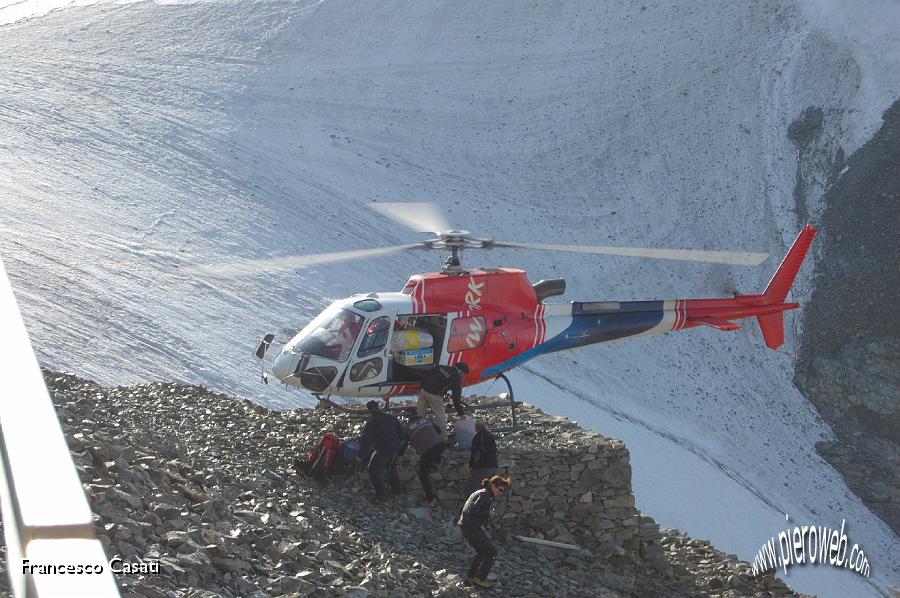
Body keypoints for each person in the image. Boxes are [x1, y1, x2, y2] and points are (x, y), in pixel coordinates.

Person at [457, 475, 512, 588]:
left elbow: (474, 509)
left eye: (502, 491)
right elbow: (473, 509)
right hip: (471, 528)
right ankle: (479, 579)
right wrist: (488, 513)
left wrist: (486, 514)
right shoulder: (485, 495)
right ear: (493, 485)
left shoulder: (482, 493)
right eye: (500, 489)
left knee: (482, 553)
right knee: (492, 552)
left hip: (467, 527)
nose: (500, 493)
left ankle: (470, 578)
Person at [399, 409, 446, 507]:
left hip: (428, 450)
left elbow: (404, 444)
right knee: (435, 453)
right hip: (441, 444)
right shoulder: (426, 420)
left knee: (423, 475)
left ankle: (431, 500)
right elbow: (439, 430)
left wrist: (400, 456)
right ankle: (437, 463)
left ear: (408, 418)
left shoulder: (407, 427)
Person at [358, 400, 403, 501]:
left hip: (384, 449)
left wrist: (361, 455)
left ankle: (381, 494)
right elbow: (401, 432)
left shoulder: (372, 422)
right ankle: (398, 490)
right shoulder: (391, 417)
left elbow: (366, 441)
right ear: (378, 407)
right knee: (391, 467)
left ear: (369, 410)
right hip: (396, 447)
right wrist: (399, 443)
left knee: (373, 471)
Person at [417, 362, 469, 434]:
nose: (463, 376)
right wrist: (461, 413)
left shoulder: (442, 367)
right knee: (440, 416)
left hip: (423, 390)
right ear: (460, 371)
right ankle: (442, 439)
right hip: (433, 394)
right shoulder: (456, 376)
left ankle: (418, 435)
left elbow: (427, 375)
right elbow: (456, 398)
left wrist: (420, 388)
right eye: (463, 374)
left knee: (420, 415)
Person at [465, 419, 498, 495]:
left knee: (472, 492)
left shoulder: (476, 438)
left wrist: (471, 466)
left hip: (481, 468)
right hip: (493, 466)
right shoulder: (491, 436)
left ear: (476, 428)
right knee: (490, 491)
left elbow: (475, 454)